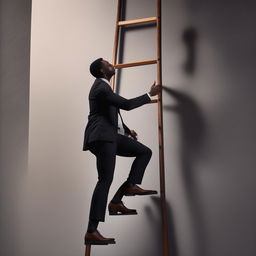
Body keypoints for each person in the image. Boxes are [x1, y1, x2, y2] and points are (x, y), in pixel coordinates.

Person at [83, 58, 161, 245]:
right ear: (102, 71)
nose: (113, 65)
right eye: (109, 64)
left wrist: (126, 130)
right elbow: (125, 104)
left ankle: (120, 197)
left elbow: (110, 113)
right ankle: (91, 230)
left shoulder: (104, 88)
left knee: (144, 152)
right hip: (102, 137)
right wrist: (149, 95)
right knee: (105, 180)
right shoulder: (100, 88)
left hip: (110, 135)